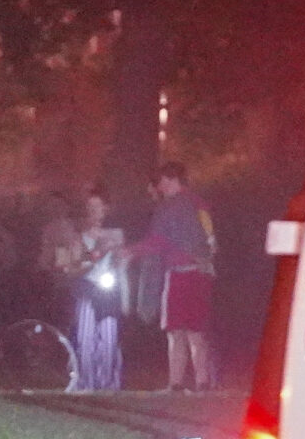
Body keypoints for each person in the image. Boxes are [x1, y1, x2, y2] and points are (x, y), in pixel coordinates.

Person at [137, 161, 218, 391]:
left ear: (172, 180)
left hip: (180, 274)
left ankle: (176, 383)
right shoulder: (199, 204)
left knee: (175, 330)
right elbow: (211, 240)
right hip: (202, 273)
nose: (160, 187)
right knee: (196, 330)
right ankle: (202, 382)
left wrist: (130, 251)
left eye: (162, 182)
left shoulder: (169, 208)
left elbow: (158, 241)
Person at [67, 188, 128, 392]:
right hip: (87, 289)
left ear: (106, 209)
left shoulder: (116, 234)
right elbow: (74, 267)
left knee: (109, 340)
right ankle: (86, 383)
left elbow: (122, 264)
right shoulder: (79, 237)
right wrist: (96, 255)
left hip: (109, 290)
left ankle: (108, 383)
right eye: (90, 207)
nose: (94, 211)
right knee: (85, 340)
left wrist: (126, 297)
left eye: (98, 207)